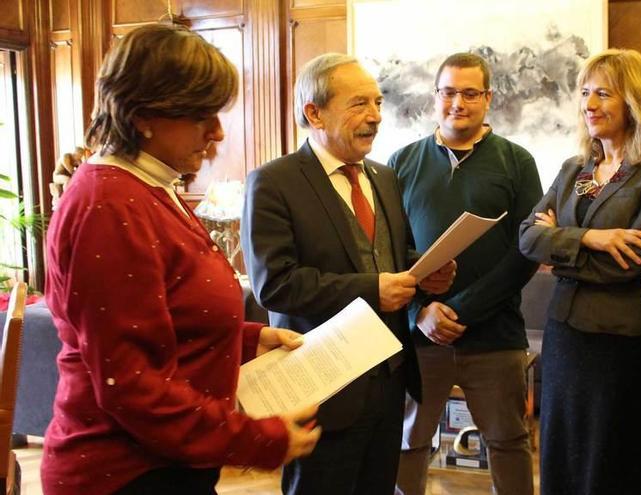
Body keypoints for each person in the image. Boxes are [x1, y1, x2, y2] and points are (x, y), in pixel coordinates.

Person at [41, 24, 321, 495]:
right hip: (123, 475)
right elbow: (129, 383)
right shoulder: (109, 204)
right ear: (145, 115)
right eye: (201, 115)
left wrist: (250, 338)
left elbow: (166, 318)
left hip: (160, 466)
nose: (216, 132)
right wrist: (254, 438)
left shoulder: (147, 187)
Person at [240, 53, 455, 495]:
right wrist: (373, 290)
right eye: (359, 104)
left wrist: (423, 274)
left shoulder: (384, 176)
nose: (375, 116)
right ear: (313, 112)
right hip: (325, 386)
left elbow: (381, 256)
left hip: (390, 380)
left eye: (377, 103)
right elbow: (274, 284)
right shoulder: (273, 182)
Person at [519, 48, 641, 494]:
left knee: (611, 463)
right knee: (560, 457)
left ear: (634, 100)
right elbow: (526, 238)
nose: (589, 104)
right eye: (584, 93)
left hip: (622, 345)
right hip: (565, 336)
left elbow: (634, 260)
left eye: (603, 93)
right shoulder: (575, 168)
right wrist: (593, 239)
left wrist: (560, 245)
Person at [391, 52, 542, 495]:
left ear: (488, 98)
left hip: (495, 334)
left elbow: (527, 250)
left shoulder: (517, 162)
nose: (458, 102)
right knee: (409, 443)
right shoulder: (402, 162)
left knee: (510, 443)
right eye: (449, 92)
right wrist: (421, 310)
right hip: (420, 336)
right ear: (435, 96)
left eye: (470, 93)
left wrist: (460, 310)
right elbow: (387, 248)